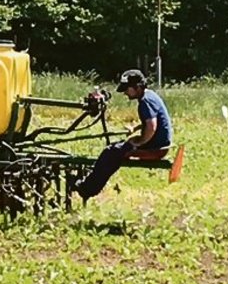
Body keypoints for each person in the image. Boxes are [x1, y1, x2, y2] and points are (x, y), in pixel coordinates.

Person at [73, 69, 173, 201]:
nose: (125, 93)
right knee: (114, 149)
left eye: (127, 89)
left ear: (137, 87)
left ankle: (87, 189)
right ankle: (89, 185)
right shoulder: (149, 95)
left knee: (111, 153)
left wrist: (139, 142)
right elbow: (150, 122)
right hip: (158, 145)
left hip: (155, 150)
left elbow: (152, 126)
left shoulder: (145, 102)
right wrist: (135, 128)